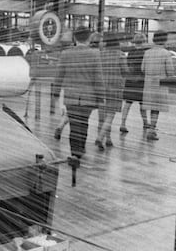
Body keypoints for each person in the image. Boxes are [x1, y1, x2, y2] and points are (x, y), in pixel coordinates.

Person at [53, 27, 105, 159]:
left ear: (74, 38)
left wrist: (56, 93)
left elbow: (59, 76)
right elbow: (98, 77)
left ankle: (74, 153)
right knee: (84, 123)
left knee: (74, 125)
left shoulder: (66, 54)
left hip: (71, 97)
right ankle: (80, 150)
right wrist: (101, 96)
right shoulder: (95, 53)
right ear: (89, 38)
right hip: (88, 97)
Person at [141, 30, 175, 141]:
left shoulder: (147, 53)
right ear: (165, 40)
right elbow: (170, 71)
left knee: (151, 106)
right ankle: (152, 130)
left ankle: (151, 128)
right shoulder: (166, 53)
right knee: (156, 109)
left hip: (148, 83)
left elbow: (143, 69)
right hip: (160, 83)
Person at [95, 32, 126, 150]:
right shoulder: (121, 55)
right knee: (110, 115)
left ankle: (107, 139)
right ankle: (101, 136)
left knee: (101, 116)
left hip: (101, 88)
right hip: (115, 87)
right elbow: (124, 71)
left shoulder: (100, 55)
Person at [120, 33, 150, 133]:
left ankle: (123, 123)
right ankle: (145, 123)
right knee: (143, 103)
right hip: (141, 80)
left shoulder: (131, 52)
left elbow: (127, 65)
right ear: (144, 41)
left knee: (128, 103)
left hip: (131, 80)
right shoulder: (145, 52)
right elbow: (145, 67)